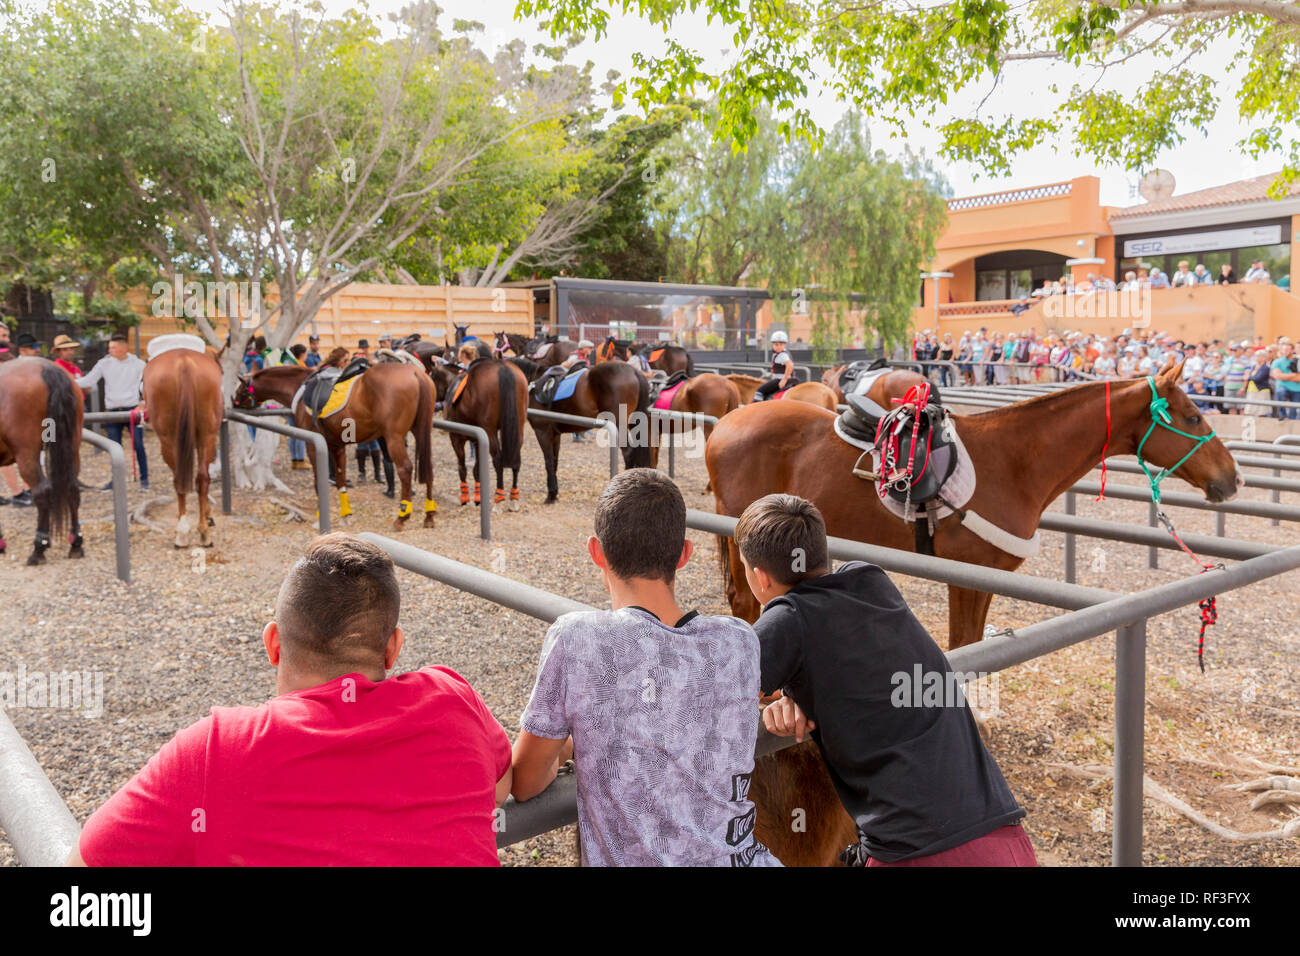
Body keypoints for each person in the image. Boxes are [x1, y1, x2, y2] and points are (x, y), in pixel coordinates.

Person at [70, 533, 511, 866]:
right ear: (393, 649)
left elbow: (84, 873)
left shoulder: (216, 750)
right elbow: (498, 785)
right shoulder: (454, 701)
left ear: (274, 644)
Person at [738, 494, 1035, 866]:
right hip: (1002, 834)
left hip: (916, 852)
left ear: (759, 577)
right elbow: (850, 658)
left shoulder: (786, 622)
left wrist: (777, 697)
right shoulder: (871, 580)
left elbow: (706, 699)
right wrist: (802, 691)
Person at [512, 469, 779, 866]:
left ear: (596, 552)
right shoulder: (739, 639)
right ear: (684, 554)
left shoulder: (577, 639)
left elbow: (525, 781)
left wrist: (570, 744)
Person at [76, 333, 148, 491]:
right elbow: (88, 381)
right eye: (109, 348)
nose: (110, 350)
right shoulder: (104, 364)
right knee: (114, 448)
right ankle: (115, 481)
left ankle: (144, 479)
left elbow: (146, 386)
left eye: (113, 347)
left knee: (139, 445)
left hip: (132, 410)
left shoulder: (139, 364)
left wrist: (143, 403)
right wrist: (68, 381)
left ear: (124, 348)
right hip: (112, 410)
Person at [754, 330, 794, 401]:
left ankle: (757, 406)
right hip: (779, 378)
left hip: (779, 379)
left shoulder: (782, 355)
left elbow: (790, 365)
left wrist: (784, 379)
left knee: (759, 391)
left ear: (785, 345)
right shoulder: (780, 354)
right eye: (776, 344)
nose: (778, 347)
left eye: (781, 344)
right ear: (772, 345)